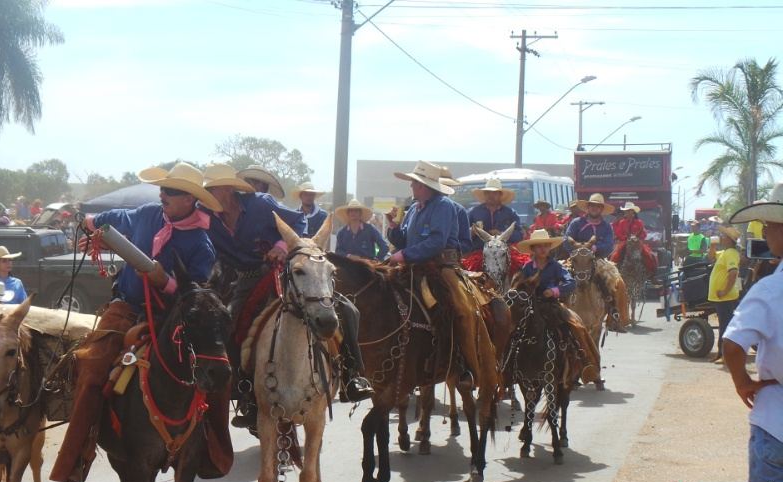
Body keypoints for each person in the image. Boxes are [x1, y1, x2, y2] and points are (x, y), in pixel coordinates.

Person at [50, 162, 225, 482]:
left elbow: (200, 297)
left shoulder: (201, 243)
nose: (163, 194)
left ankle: (211, 452)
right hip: (126, 309)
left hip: (172, 319)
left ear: (190, 200)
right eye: (162, 189)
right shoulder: (147, 213)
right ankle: (78, 454)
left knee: (215, 371)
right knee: (92, 366)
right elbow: (112, 220)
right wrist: (88, 224)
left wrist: (166, 282)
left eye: (171, 191)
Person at [199, 163, 372, 427]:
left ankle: (351, 376)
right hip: (243, 281)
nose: (206, 197)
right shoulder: (205, 214)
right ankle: (246, 394)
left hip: (281, 272)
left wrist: (281, 247)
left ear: (228, 189)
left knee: (347, 310)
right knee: (227, 324)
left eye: (211, 190)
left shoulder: (259, 204)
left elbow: (297, 220)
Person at [386, 160, 498, 394]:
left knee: (463, 310)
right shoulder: (415, 208)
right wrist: (393, 228)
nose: (411, 186)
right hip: (414, 266)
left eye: (414, 183)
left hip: (441, 268)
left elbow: (436, 242)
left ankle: (468, 366)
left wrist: (402, 255)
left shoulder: (444, 205)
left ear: (425, 186)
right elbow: (404, 240)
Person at [721, 189, 783, 482]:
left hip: (776, 423)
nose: (764, 234)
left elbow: (732, 342)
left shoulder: (770, 289)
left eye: (770, 226)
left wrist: (742, 381)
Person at [517, 230, 602, 384]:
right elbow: (519, 286)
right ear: (533, 250)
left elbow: (571, 283)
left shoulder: (555, 266)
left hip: (552, 306)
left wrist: (555, 291)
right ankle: (508, 369)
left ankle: (588, 365)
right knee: (513, 330)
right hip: (531, 307)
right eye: (539, 246)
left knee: (577, 329)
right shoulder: (527, 268)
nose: (543, 249)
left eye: (546, 246)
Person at [563, 193, 630, 331]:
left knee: (618, 283)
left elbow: (609, 245)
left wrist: (594, 248)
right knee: (557, 276)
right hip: (576, 259)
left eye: (597, 206)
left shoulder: (606, 227)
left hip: (597, 259)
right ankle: (557, 308)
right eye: (592, 205)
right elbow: (566, 240)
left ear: (601, 209)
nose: (594, 208)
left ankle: (615, 316)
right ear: (588, 207)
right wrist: (577, 250)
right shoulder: (576, 223)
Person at [709, 224, 741, 364]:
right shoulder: (726, 252)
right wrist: (713, 246)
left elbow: (733, 273)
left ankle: (725, 355)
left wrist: (724, 290)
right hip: (722, 297)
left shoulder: (731, 253)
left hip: (726, 297)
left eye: (724, 236)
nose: (722, 238)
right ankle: (721, 353)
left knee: (726, 326)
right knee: (724, 324)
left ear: (730, 240)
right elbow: (711, 257)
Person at [609, 201, 658, 276]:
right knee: (615, 255)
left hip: (637, 243)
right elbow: (619, 234)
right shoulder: (622, 222)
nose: (627, 212)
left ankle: (652, 274)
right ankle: (613, 272)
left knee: (649, 254)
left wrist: (636, 237)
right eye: (626, 211)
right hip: (625, 242)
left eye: (629, 210)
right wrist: (628, 237)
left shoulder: (639, 222)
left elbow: (644, 234)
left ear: (633, 211)